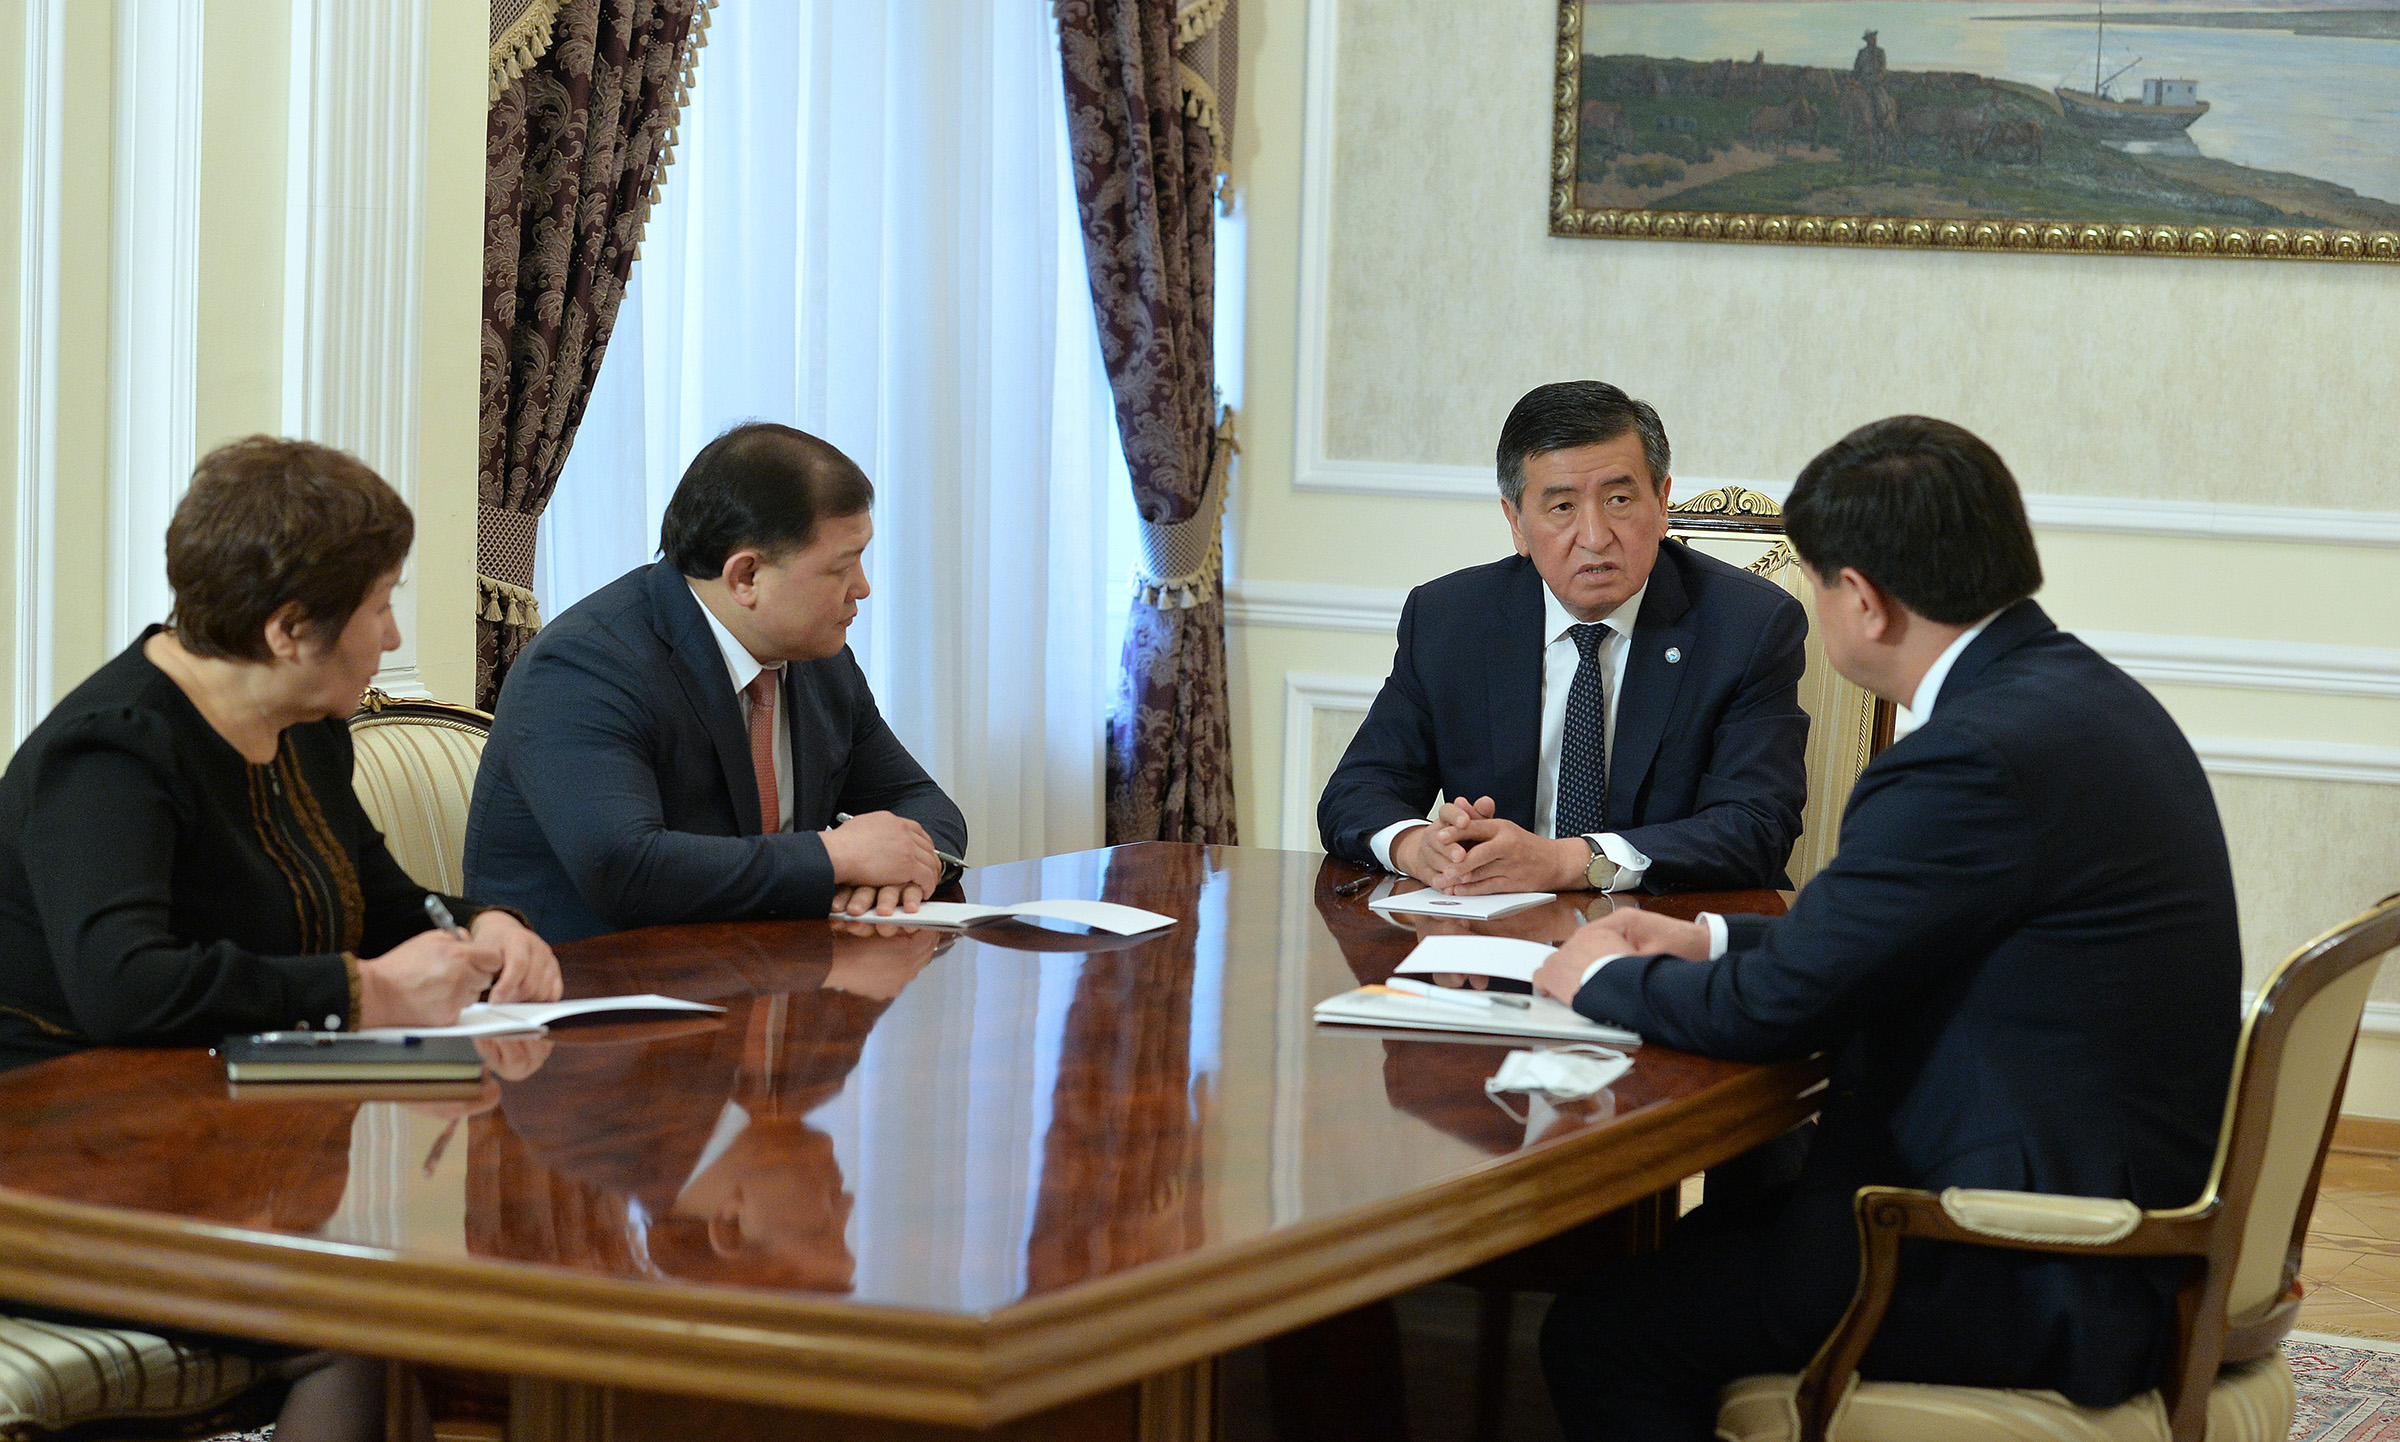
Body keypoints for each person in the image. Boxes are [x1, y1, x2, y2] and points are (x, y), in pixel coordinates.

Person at [1531, 417, 2242, 1441]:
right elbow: (1886, 937)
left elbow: (1779, 1011)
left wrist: (1591, 975)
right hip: (2106, 1221)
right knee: (1714, 1235)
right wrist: (1709, 939)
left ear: (1861, 599)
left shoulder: (1970, 756)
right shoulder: (2080, 698)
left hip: (2028, 1262)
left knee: (1604, 1329)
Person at [0, 435, 563, 1442]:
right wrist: (366, 994)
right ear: (290, 628)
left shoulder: (306, 730)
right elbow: (126, 987)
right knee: (365, 1316)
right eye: (380, 605)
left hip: (219, 1140)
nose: (393, 634)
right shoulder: (111, 752)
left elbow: (380, 900)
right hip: (55, 1173)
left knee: (454, 1290)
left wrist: (488, 922)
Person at [466, 423, 968, 942]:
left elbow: (922, 802)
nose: (862, 587)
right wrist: (834, 856)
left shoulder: (819, 660)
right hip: (595, 981)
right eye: (842, 567)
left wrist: (904, 867)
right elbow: (626, 870)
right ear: (745, 577)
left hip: (768, 968)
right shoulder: (584, 667)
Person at [1318, 381, 1809, 896]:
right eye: (1562, 507)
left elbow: (1756, 827)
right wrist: (1418, 846)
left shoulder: (1747, 626)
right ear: (1516, 522)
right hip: (1492, 930)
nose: (1595, 536)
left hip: (1669, 928)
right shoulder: (1451, 620)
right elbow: (1356, 791)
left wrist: (1566, 862)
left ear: (1662, 502)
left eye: (1619, 499)